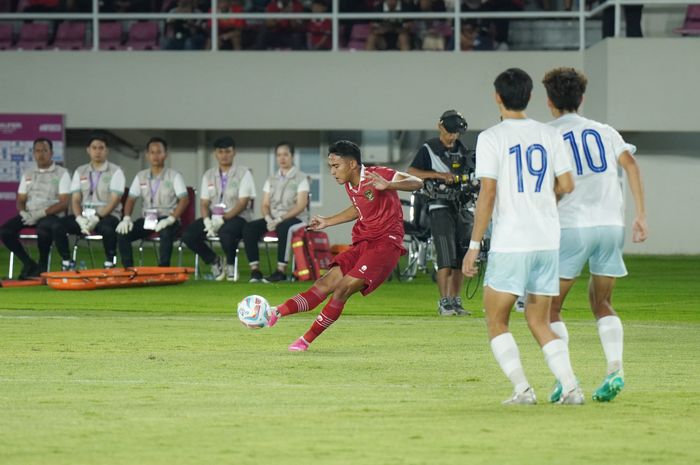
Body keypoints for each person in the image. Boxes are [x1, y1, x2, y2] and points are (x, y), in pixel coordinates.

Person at [462, 68, 583, 405]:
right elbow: (568, 185)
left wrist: (473, 246)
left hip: (512, 241)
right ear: (530, 97)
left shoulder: (491, 137)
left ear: (497, 97)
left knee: (496, 320)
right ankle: (571, 387)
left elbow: (487, 193)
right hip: (546, 240)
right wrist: (542, 201)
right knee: (538, 320)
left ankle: (522, 390)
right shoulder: (549, 134)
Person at [542, 67, 648, 402]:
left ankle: (566, 381)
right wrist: (641, 215)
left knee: (550, 309)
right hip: (610, 226)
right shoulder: (604, 130)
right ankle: (615, 369)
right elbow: (631, 165)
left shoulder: (546, 134)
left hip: (572, 226)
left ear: (549, 101)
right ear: (582, 98)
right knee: (602, 302)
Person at [265, 140, 423, 352]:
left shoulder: (378, 174)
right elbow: (359, 208)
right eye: (330, 166)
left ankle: (305, 340)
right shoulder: (350, 183)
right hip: (363, 242)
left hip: (385, 245)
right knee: (324, 283)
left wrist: (391, 185)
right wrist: (328, 221)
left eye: (336, 166)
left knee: (342, 289)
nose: (332, 172)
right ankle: (276, 312)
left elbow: (417, 182)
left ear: (352, 165)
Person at [408, 110, 475, 316]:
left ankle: (455, 301)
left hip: (463, 207)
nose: (452, 137)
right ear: (440, 127)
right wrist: (437, 175)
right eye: (449, 132)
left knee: (460, 257)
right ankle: (444, 301)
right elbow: (411, 172)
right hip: (439, 206)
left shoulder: (464, 151)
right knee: (446, 255)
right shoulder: (429, 149)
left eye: (456, 133)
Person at [182, 136, 255, 281]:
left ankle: (230, 265)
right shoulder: (208, 175)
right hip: (213, 217)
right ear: (215, 154)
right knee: (188, 235)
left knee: (226, 233)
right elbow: (204, 203)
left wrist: (224, 218)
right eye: (220, 152)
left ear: (234, 152)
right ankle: (214, 260)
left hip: (238, 217)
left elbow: (243, 203)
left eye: (228, 151)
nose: (224, 155)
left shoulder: (243, 173)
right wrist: (207, 220)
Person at [0, 138, 70, 279]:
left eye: (44, 150)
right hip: (30, 213)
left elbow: (63, 203)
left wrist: (41, 213)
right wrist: (23, 213)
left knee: (42, 228)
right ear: (33, 153)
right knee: (5, 231)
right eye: (37, 151)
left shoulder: (62, 173)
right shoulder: (28, 174)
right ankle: (28, 263)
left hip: (51, 214)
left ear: (51, 153)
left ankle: (42, 265)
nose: (41, 154)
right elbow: (21, 199)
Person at [116, 137, 189, 268]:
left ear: (165, 154)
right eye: (152, 152)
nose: (155, 156)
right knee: (123, 233)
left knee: (166, 232)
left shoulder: (174, 176)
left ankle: (163, 269)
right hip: (148, 219)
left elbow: (184, 199)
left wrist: (171, 219)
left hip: (168, 218)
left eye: (159, 152)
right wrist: (126, 218)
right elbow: (131, 199)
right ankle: (128, 269)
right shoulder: (140, 176)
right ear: (147, 155)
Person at [242, 141, 308, 283]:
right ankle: (255, 270)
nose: (282, 158)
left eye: (285, 155)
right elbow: (265, 204)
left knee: (284, 227)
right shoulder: (271, 179)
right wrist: (267, 218)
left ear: (292, 156)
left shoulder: (301, 178)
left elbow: (301, 205)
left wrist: (280, 219)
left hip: (296, 219)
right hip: (273, 218)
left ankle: (280, 271)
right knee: (249, 227)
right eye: (279, 155)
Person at [59, 134, 126, 269]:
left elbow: (114, 200)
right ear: (88, 150)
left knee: (108, 228)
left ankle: (109, 262)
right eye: (94, 148)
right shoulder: (80, 170)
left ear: (107, 151)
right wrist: (78, 218)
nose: (97, 151)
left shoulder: (116, 171)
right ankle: (67, 261)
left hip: (107, 214)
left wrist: (98, 217)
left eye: (101, 148)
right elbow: (76, 199)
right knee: (57, 226)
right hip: (84, 215)